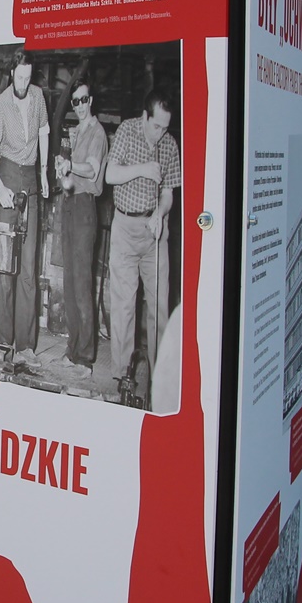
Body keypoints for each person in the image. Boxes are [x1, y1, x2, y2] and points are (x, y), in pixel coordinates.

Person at [105, 94, 180, 394]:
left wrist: (160, 213)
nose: (160, 133)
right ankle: (122, 377)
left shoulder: (170, 145)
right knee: (124, 306)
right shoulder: (127, 130)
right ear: (145, 117)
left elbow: (169, 193)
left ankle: (159, 377)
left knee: (159, 306)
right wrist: (142, 169)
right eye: (156, 126)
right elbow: (110, 175)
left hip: (154, 232)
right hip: (125, 228)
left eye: (165, 127)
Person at [0, 51, 49, 362]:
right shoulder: (1, 104)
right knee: (6, 265)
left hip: (31, 180)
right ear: (12, 74)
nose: (24, 83)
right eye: (19, 77)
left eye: (28, 77)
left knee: (28, 269)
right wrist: (0, 188)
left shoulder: (38, 97)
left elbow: (44, 132)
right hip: (7, 176)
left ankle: (25, 347)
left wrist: (44, 172)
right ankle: (3, 343)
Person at [52, 82, 109, 379]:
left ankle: (85, 358)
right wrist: (62, 168)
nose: (80, 105)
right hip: (70, 203)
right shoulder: (77, 133)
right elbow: (71, 173)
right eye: (75, 101)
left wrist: (71, 164)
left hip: (86, 207)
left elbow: (92, 169)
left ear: (91, 100)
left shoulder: (97, 132)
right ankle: (72, 349)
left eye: (84, 99)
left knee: (83, 282)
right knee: (70, 282)